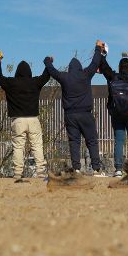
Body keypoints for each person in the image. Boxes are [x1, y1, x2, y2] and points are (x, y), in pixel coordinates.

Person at [44, 42, 107, 176]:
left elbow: (52, 71)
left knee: (74, 142)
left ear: (69, 68)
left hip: (70, 116)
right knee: (91, 141)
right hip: (85, 114)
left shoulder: (64, 77)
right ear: (79, 67)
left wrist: (47, 60)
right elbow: (95, 62)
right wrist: (97, 48)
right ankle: (96, 169)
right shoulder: (85, 74)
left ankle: (77, 169)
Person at [0, 52, 52, 182]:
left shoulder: (11, 83)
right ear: (29, 72)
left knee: (18, 147)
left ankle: (18, 173)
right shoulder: (35, 82)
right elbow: (46, 76)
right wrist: (48, 63)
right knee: (37, 145)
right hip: (33, 119)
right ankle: (41, 172)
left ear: (17, 72)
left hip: (17, 120)